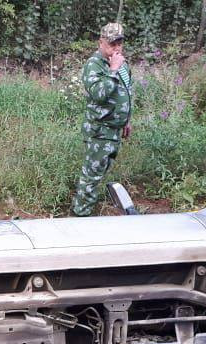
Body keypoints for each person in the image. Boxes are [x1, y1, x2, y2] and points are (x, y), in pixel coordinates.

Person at [71, 22, 133, 217]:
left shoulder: (122, 64)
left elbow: (127, 92)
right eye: (112, 44)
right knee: (91, 176)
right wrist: (113, 70)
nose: (116, 48)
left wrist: (127, 120)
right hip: (100, 131)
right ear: (101, 42)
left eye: (119, 44)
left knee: (99, 174)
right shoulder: (94, 65)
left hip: (114, 130)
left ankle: (86, 210)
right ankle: (80, 216)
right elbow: (99, 94)